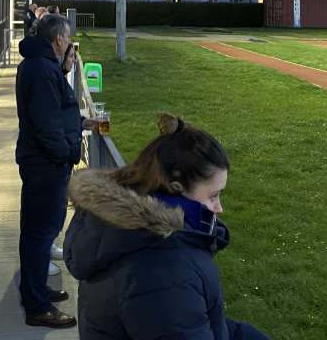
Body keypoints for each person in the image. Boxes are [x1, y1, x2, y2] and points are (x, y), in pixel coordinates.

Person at [64, 114, 272, 340]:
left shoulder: (129, 234)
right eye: (213, 196)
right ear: (176, 188)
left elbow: (195, 323)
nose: (219, 208)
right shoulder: (163, 267)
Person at [15, 14, 82, 328]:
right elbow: (46, 124)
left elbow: (55, 112)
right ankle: (37, 306)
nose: (69, 43)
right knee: (40, 233)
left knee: (37, 232)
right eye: (67, 37)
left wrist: (80, 124)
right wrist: (66, 153)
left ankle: (35, 290)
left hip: (41, 162)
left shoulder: (41, 66)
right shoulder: (42, 69)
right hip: (46, 165)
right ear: (58, 39)